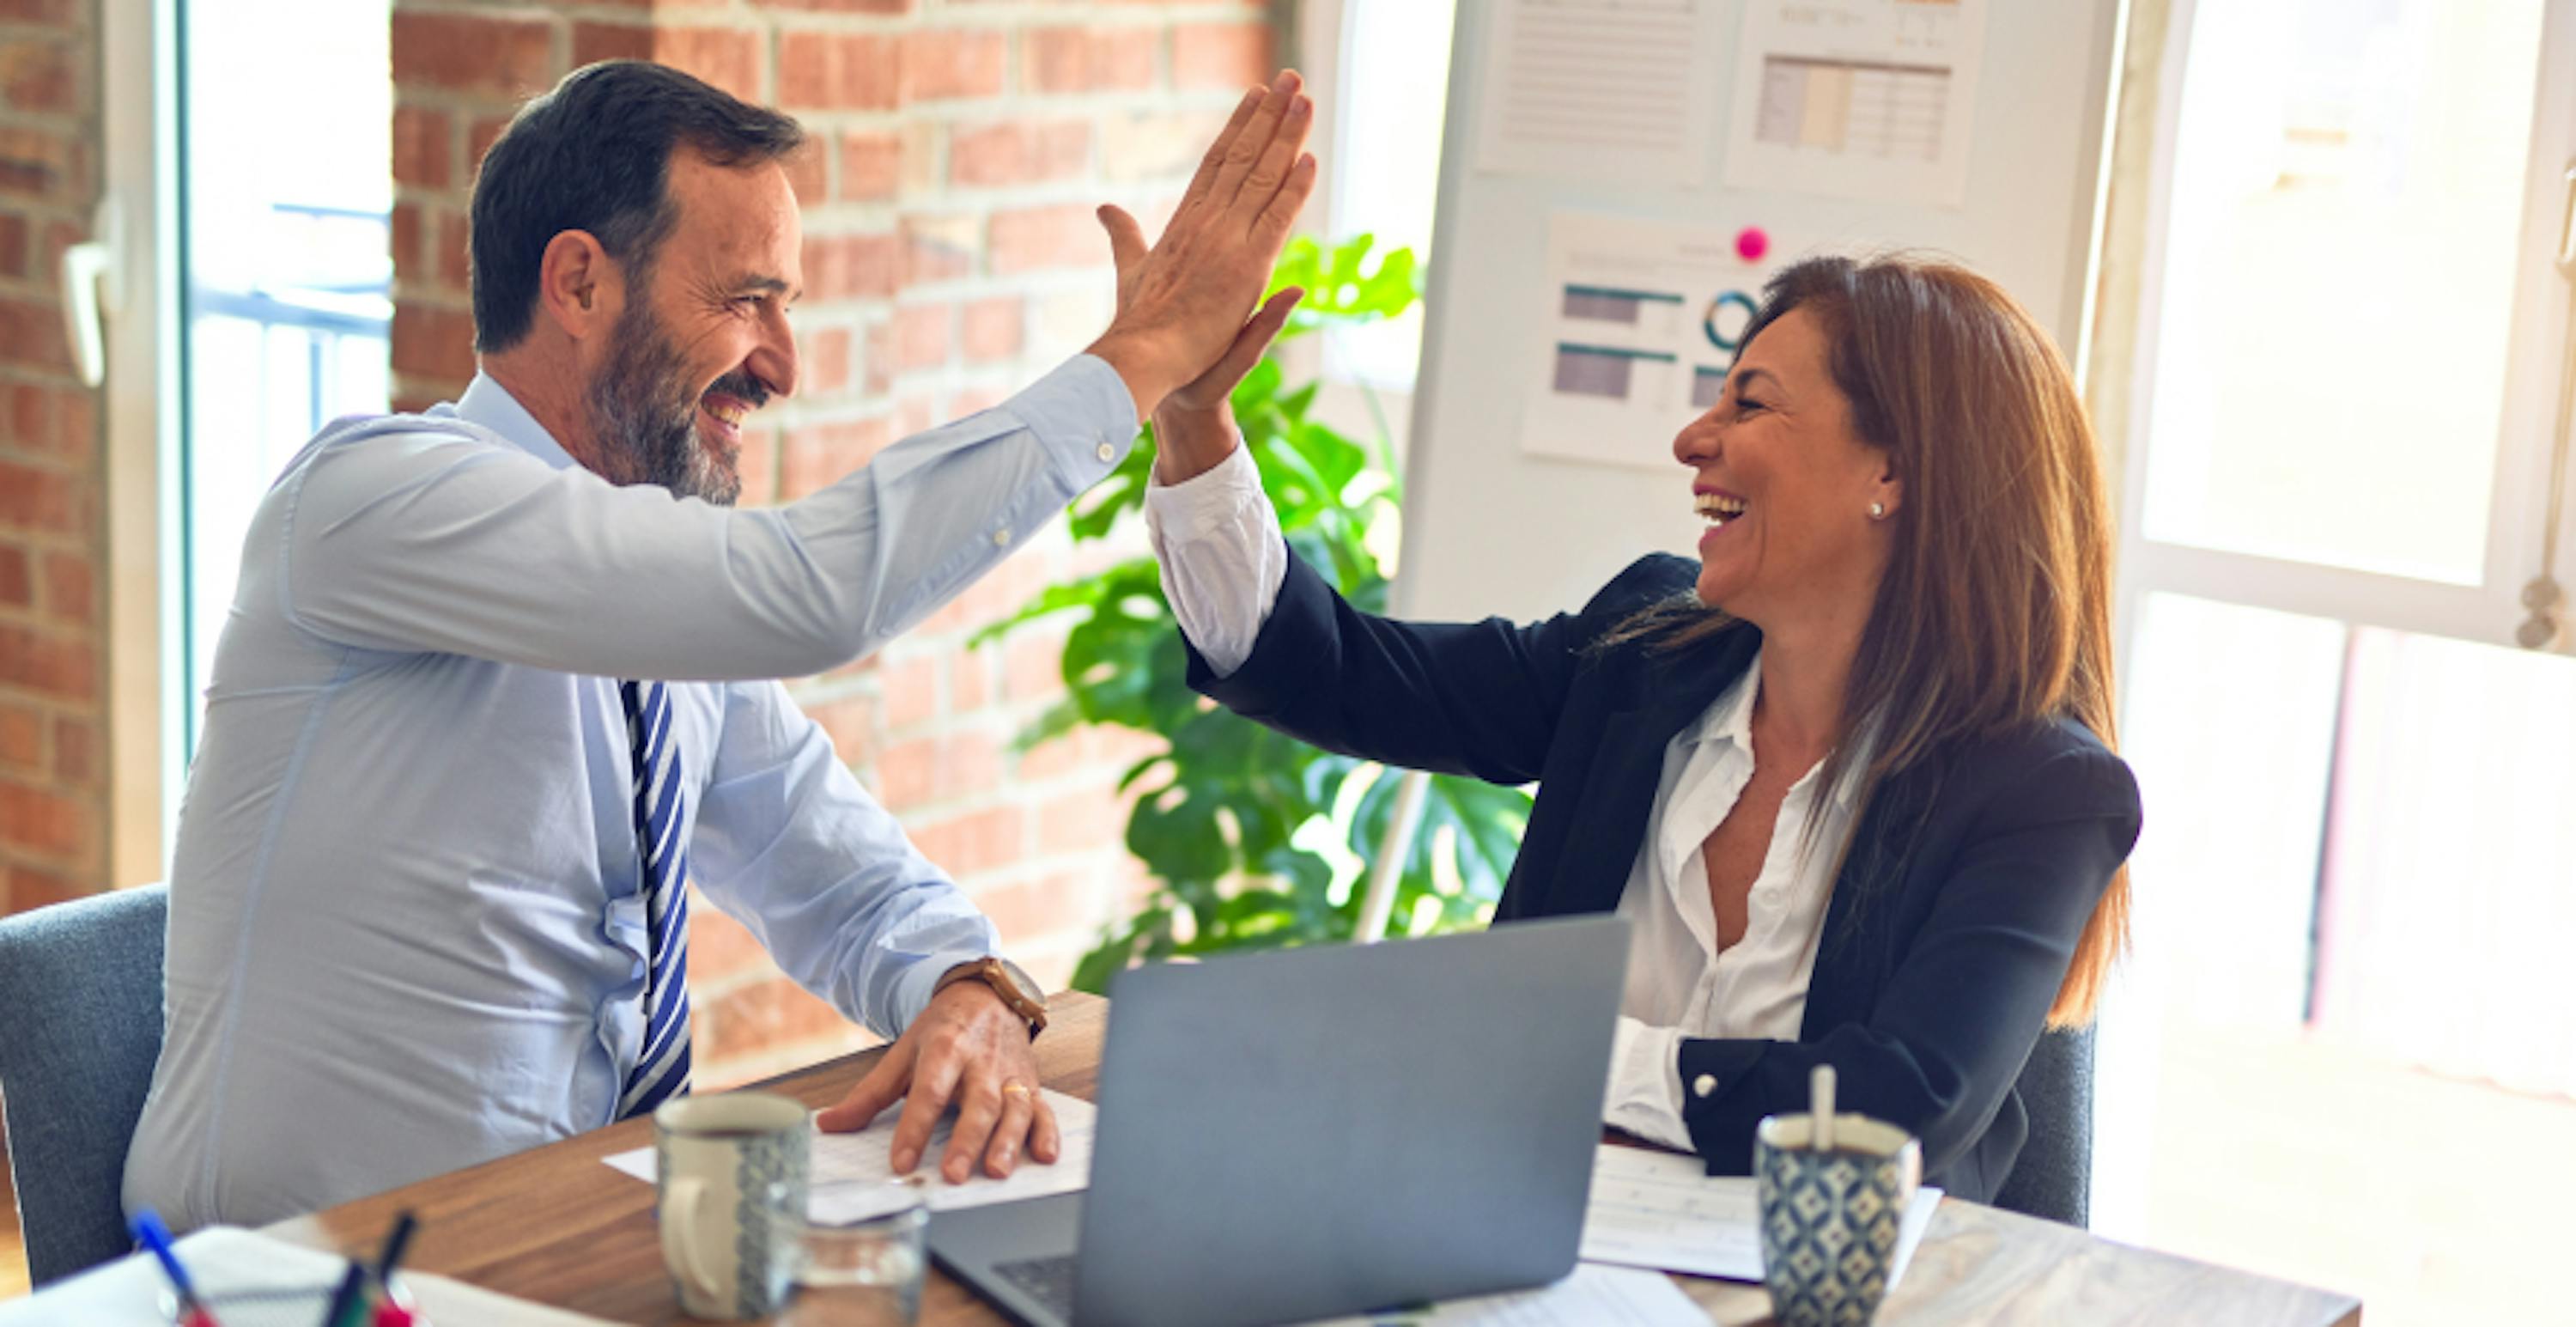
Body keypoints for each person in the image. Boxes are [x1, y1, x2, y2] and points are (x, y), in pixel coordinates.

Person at [125, 59, 1319, 1231]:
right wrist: (1144, 355)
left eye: (786, 306)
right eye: (748, 298)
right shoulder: (371, 500)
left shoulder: (659, 614)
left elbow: (839, 874)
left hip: (560, 1246)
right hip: (292, 1282)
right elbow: (813, 593)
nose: (782, 366)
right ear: (580, 285)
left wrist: (970, 987)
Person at [1142, 254, 2142, 1202]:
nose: (1693, 439)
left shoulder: (2042, 791)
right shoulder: (1643, 653)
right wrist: (1195, 422)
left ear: (1893, 471)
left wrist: (1556, 1052)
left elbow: (1893, 1111)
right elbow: (1336, 673)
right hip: (1536, 1256)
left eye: (1749, 403)